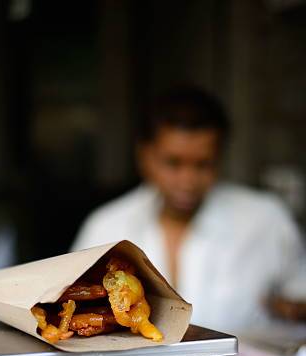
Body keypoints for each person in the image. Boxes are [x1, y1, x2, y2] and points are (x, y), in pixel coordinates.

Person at [72, 86, 306, 332]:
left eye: (203, 164)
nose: (188, 181)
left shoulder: (265, 220)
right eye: (173, 163)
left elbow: (299, 293)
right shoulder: (106, 226)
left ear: (220, 157)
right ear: (144, 156)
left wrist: (292, 308)